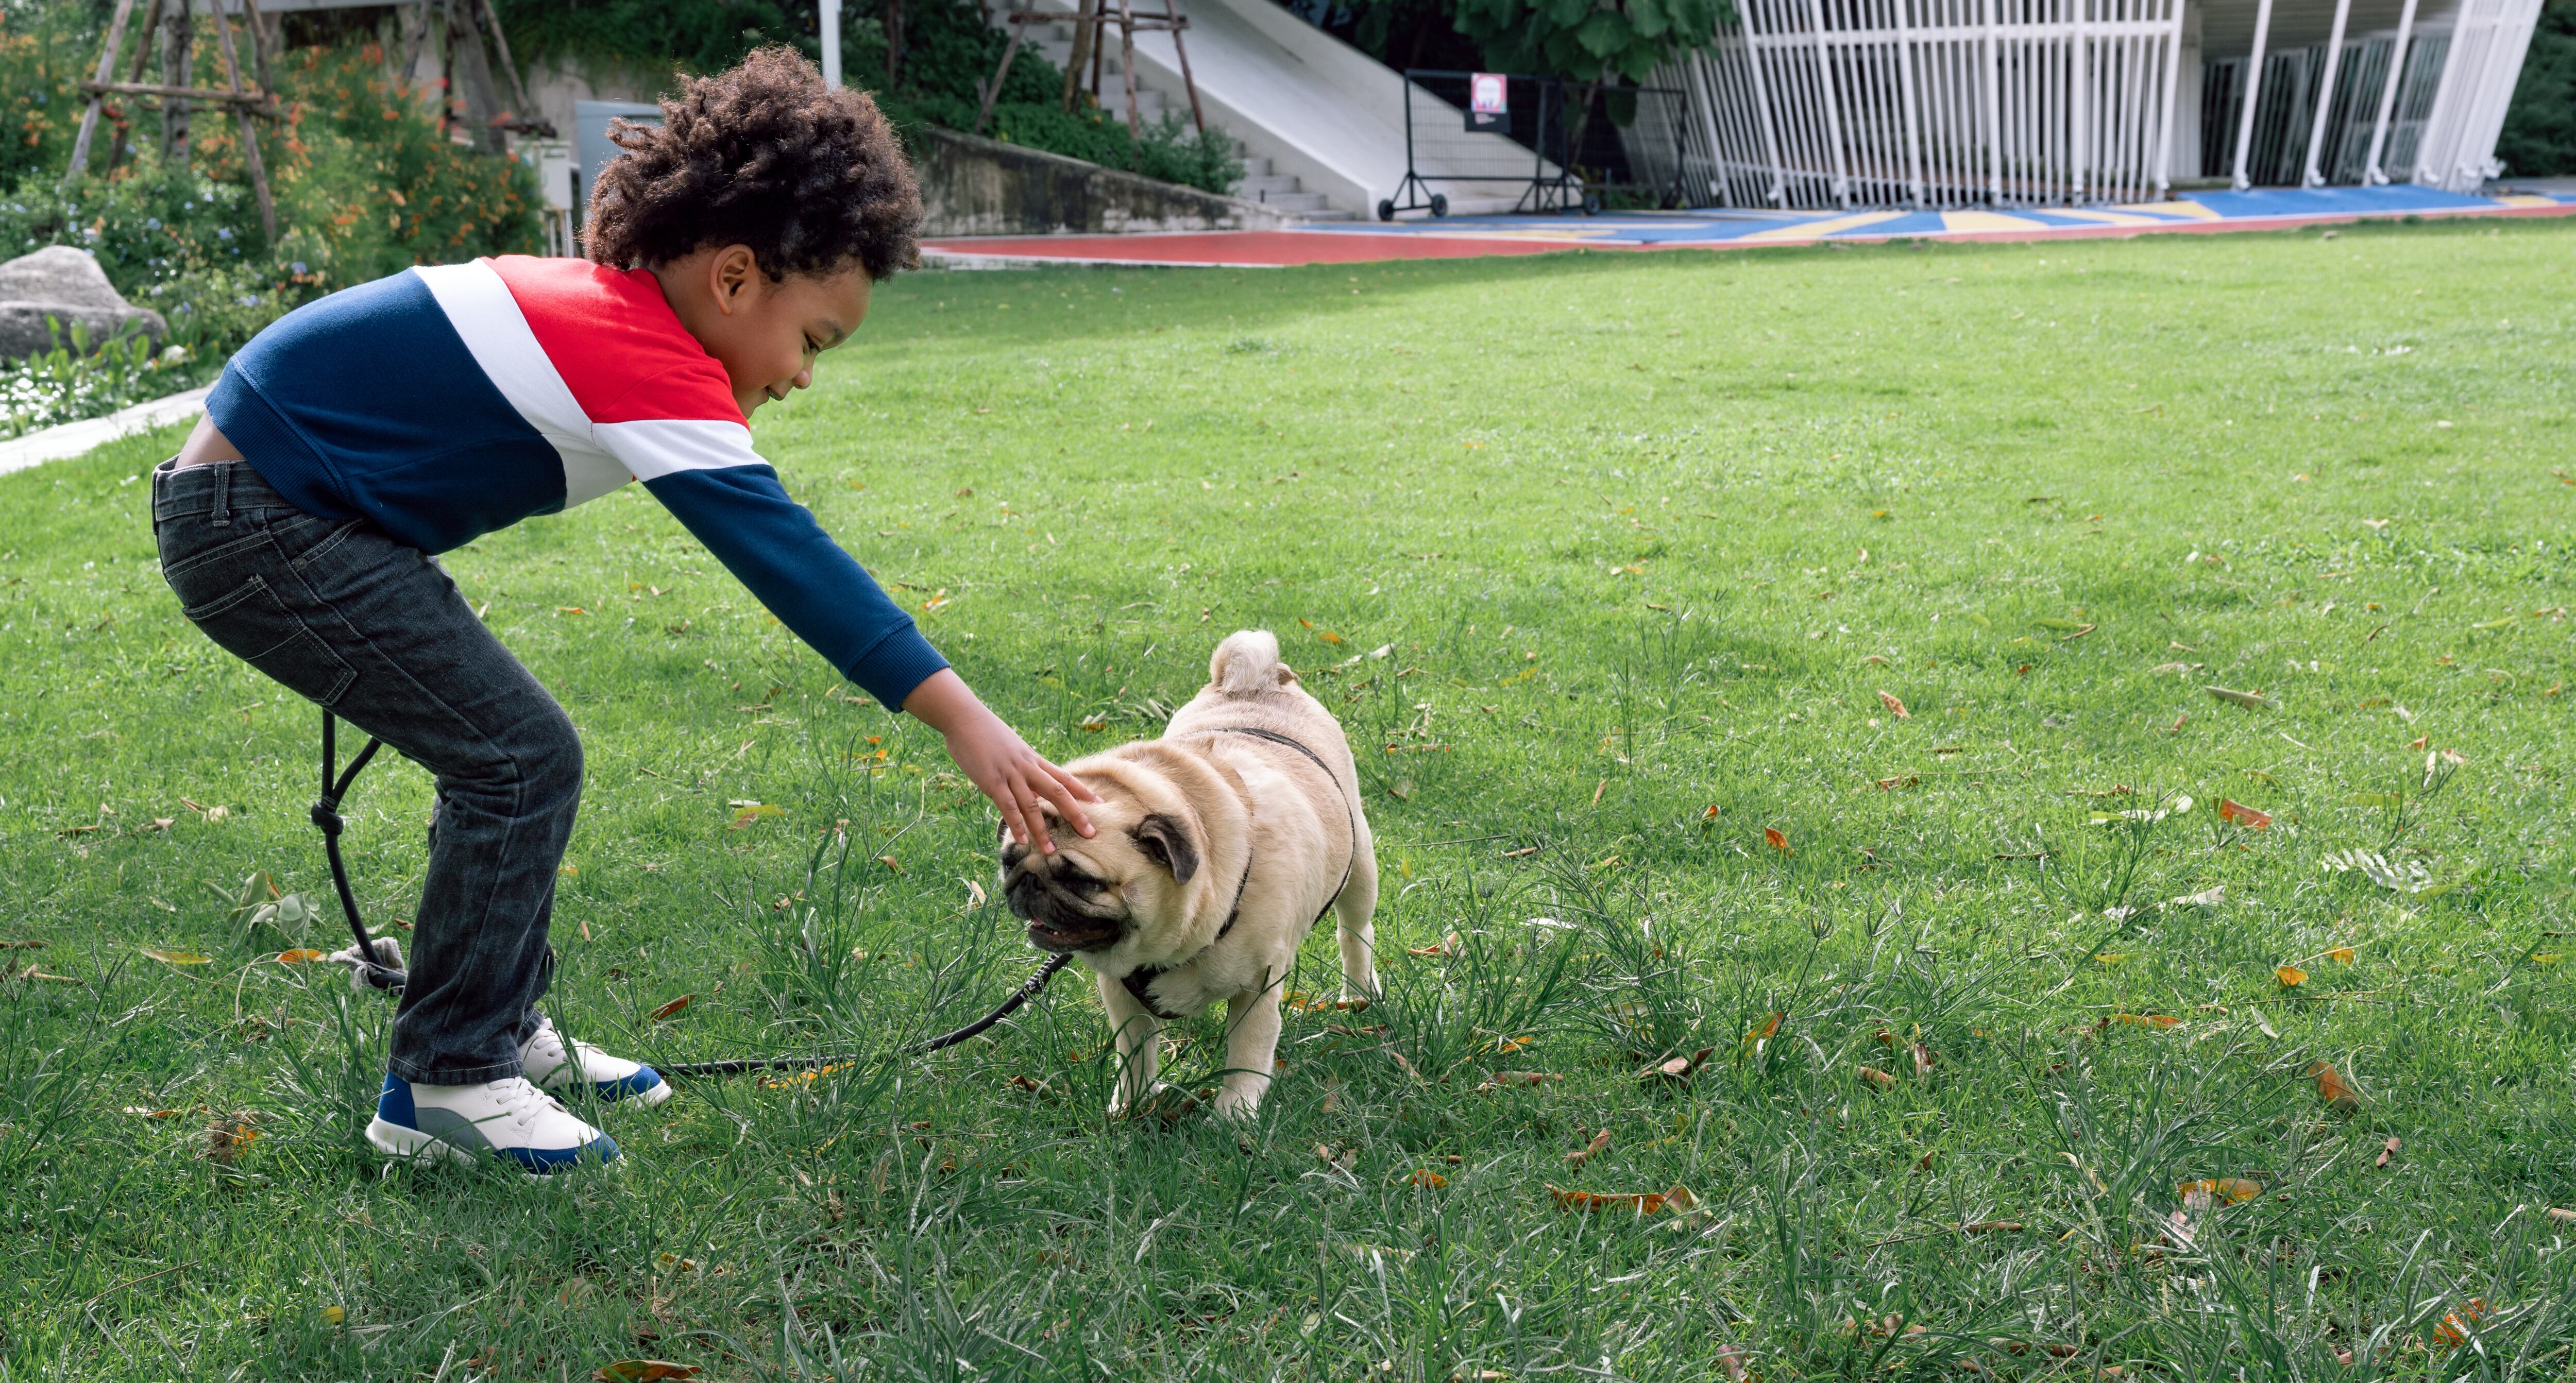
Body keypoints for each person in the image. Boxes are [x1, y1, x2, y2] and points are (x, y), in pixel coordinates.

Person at [148, 48, 1097, 1174]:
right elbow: (787, 554)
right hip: (261, 524)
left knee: (511, 752)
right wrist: (958, 715)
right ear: (736, 278)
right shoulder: (641, 350)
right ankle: (449, 1079)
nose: (800, 376)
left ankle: (490, 1027)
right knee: (517, 756)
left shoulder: (615, 319)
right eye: (814, 341)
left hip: (280, 509)